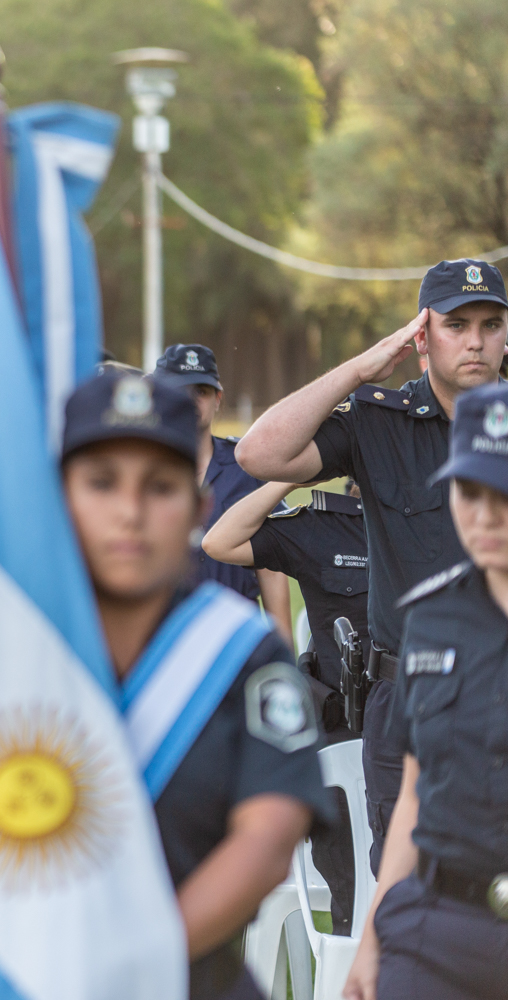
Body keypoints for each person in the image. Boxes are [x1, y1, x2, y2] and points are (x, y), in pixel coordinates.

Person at [0, 372, 331, 1000]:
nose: (130, 512)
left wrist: (138, 961)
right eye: (101, 483)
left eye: (160, 487)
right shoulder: (1, 645)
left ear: (199, 504)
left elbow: (269, 836)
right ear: (61, 497)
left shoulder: (237, 651)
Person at [236, 258, 508, 866]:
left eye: (491, 324)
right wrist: (361, 368)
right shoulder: (379, 421)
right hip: (404, 699)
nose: (475, 341)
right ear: (422, 335)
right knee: (405, 889)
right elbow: (258, 453)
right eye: (456, 324)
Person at [342, 381, 508, 1000]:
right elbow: (414, 796)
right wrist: (373, 940)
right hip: (435, 924)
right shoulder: (429, 619)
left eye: (503, 492)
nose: (485, 514)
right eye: (470, 491)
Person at [202, 477, 368, 932]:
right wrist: (291, 475)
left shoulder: (450, 517)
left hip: (430, 732)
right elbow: (220, 540)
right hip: (345, 734)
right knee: (355, 908)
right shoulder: (324, 526)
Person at [153, 344, 292, 640]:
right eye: (180, 390)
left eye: (201, 391)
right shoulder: (141, 472)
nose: (191, 401)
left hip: (235, 642)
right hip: (162, 642)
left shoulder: (250, 468)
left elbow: (272, 568)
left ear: (218, 399)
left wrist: (283, 654)